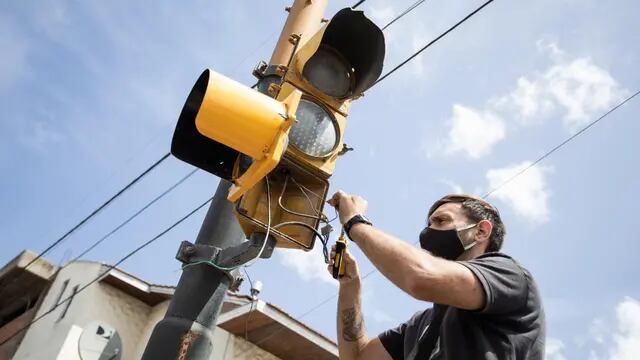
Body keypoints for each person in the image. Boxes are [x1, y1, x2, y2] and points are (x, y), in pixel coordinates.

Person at [326, 191, 545, 360]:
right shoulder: (420, 324)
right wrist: (350, 286)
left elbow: (419, 277)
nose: (427, 233)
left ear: (480, 231)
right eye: (429, 224)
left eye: (441, 221)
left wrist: (355, 222)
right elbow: (357, 357)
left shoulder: (509, 275)